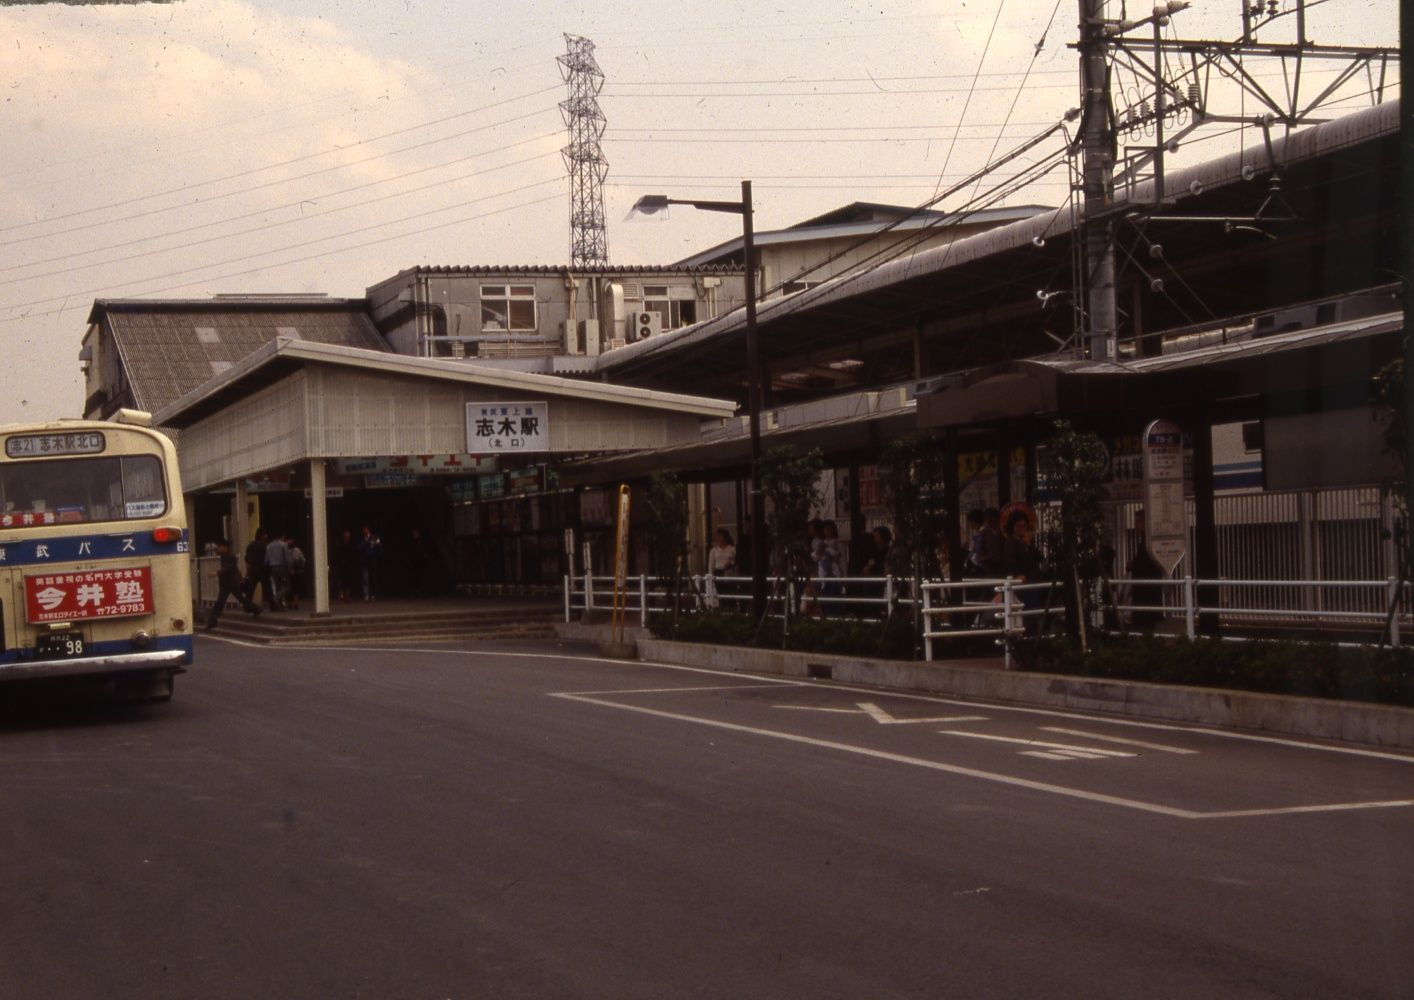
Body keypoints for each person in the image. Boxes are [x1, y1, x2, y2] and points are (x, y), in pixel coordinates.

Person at [1125, 509, 1167, 633]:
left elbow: (1144, 562)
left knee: (1146, 615)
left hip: (1146, 587)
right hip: (1146, 586)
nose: (1136, 525)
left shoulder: (1148, 542)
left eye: (1138, 521)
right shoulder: (1145, 541)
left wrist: (1133, 565)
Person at [206, 539, 262, 629]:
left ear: (225, 547)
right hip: (225, 583)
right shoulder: (224, 556)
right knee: (220, 603)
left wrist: (217, 573)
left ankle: (256, 608)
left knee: (240, 599)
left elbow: (229, 568)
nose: (218, 548)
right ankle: (212, 622)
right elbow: (234, 569)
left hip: (231, 583)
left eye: (220, 546)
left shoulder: (231, 557)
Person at [706, 527, 736, 608]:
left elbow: (736, 561)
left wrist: (731, 563)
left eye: (720, 536)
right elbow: (711, 565)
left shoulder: (732, 549)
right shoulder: (714, 550)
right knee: (721, 593)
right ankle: (722, 608)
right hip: (718, 572)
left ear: (725, 537)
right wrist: (711, 576)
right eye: (717, 536)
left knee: (730, 592)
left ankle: (731, 608)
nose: (718, 538)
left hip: (728, 572)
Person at [264, 531, 294, 611]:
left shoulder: (269, 546)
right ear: (282, 537)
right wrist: (290, 568)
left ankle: (279, 606)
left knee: (278, 586)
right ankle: (276, 597)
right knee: (287, 586)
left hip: (273, 568)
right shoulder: (283, 545)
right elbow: (288, 558)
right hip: (282, 567)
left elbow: (266, 560)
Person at [241, 528, 269, 608]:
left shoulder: (250, 545)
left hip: (253, 570)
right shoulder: (265, 545)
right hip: (262, 569)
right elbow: (267, 558)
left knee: (251, 589)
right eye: (265, 534)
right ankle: (273, 605)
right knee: (268, 587)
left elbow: (247, 559)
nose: (267, 536)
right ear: (262, 536)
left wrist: (247, 572)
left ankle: (246, 604)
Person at [359, 524, 383, 601]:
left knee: (373, 577)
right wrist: (365, 543)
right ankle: (366, 595)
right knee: (365, 578)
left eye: (366, 529)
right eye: (363, 529)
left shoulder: (374, 537)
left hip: (372, 559)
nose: (365, 531)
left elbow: (379, 545)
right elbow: (359, 548)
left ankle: (373, 595)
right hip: (364, 560)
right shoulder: (362, 538)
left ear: (368, 530)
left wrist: (375, 544)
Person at [335, 528, 360, 601]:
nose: (346, 535)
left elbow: (354, 553)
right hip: (341, 564)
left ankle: (347, 597)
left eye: (348, 533)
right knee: (342, 581)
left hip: (349, 565)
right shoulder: (340, 542)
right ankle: (342, 595)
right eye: (345, 533)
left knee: (348, 581)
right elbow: (338, 554)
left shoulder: (352, 543)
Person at [284, 534, 307, 610]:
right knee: (295, 588)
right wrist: (301, 568)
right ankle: (295, 603)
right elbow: (303, 560)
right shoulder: (297, 550)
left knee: (290, 588)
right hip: (297, 572)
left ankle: (290, 603)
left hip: (289, 572)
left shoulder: (285, 551)